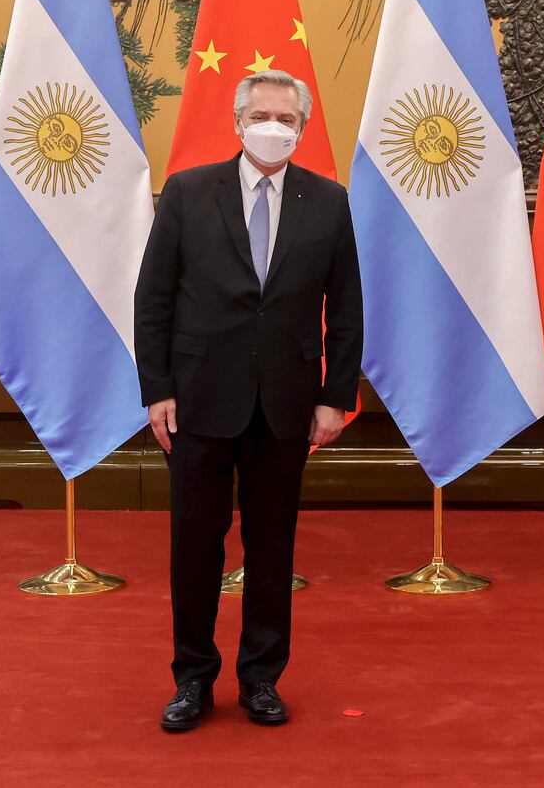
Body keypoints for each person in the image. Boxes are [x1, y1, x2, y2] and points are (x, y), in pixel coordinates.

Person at [134, 69, 363, 731]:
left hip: (288, 403)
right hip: (198, 400)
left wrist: (335, 398)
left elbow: (346, 307)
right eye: (260, 114)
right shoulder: (186, 192)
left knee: (272, 549)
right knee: (194, 543)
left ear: (303, 128)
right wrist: (157, 390)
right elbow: (154, 300)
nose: (272, 125)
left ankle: (261, 677)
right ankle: (192, 678)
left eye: (285, 118)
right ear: (237, 122)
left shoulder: (328, 200)